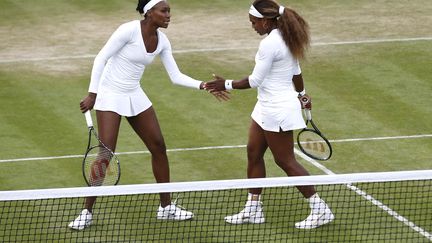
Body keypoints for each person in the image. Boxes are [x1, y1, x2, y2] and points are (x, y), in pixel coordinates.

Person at [69, 0, 227, 230]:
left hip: (134, 92)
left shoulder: (162, 41)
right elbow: (100, 58)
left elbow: (175, 76)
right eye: (164, 11)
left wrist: (204, 85)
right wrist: (92, 94)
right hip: (110, 93)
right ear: (149, 13)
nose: (169, 15)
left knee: (158, 146)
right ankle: (86, 212)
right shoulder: (127, 30)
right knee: (106, 153)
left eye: (169, 10)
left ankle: (166, 208)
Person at [204, 0, 334, 229]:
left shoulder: (270, 44)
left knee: (285, 160)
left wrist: (223, 84)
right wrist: (302, 94)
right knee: (254, 153)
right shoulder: (285, 37)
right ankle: (253, 209)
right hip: (264, 107)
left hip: (278, 109)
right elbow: (296, 71)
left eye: (254, 22)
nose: (253, 26)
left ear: (265, 21)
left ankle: (320, 209)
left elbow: (255, 81)